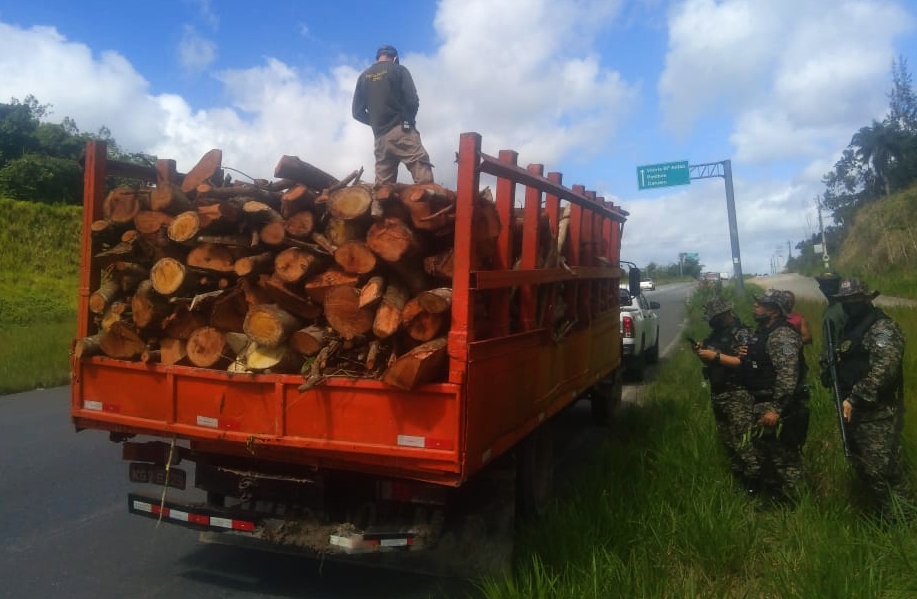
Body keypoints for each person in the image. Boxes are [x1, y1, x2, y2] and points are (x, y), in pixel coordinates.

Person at [825, 278, 907, 517]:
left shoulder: (883, 328)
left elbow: (885, 371)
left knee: (884, 470)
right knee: (864, 468)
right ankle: (883, 514)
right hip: (854, 411)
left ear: (866, 299)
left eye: (855, 299)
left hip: (877, 413)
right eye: (846, 300)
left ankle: (904, 518)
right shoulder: (851, 328)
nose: (850, 303)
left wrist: (855, 398)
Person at [740, 290, 808, 508]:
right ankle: (776, 497)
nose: (755, 307)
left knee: (785, 457)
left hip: (777, 404)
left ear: (774, 310)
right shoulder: (764, 332)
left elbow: (788, 375)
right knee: (767, 454)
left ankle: (798, 501)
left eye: (760, 304)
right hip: (761, 401)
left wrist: (777, 409)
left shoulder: (782, 335)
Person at [693, 297, 758, 494]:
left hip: (737, 393)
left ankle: (755, 483)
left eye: (718, 318)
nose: (715, 322)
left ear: (726, 314)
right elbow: (712, 362)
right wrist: (702, 353)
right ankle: (740, 480)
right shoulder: (715, 336)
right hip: (719, 392)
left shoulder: (742, 333)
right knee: (728, 440)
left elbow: (743, 362)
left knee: (743, 440)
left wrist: (716, 357)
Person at [352, 45, 434, 185]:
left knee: (383, 187)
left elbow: (357, 113)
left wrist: (377, 122)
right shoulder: (399, 70)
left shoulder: (363, 77)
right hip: (402, 131)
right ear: (395, 58)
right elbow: (412, 101)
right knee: (422, 176)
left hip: (380, 139)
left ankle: (379, 207)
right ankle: (430, 205)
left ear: (377, 58)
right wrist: (407, 121)